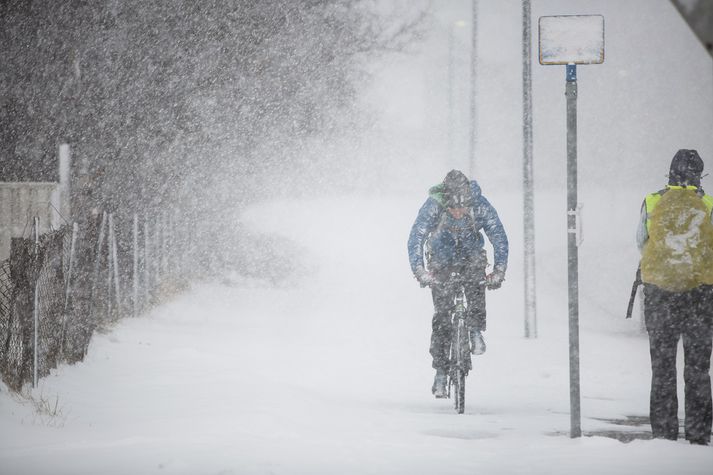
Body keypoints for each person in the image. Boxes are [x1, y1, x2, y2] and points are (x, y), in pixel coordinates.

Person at [408, 169, 508, 398]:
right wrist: (420, 270)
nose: (457, 212)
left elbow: (498, 235)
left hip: (471, 258)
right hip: (441, 262)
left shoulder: (479, 204)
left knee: (476, 283)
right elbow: (417, 236)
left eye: (462, 208)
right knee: (442, 317)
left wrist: (499, 270)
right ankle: (441, 373)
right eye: (452, 208)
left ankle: (474, 330)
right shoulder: (433, 205)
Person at [636, 149, 713, 445]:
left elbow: (641, 241)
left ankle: (665, 434)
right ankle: (698, 433)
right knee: (698, 369)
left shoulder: (653, 201)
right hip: (700, 296)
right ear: (698, 176)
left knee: (663, 367)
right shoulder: (707, 204)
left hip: (660, 295)